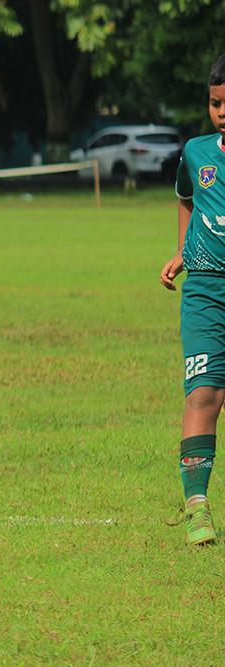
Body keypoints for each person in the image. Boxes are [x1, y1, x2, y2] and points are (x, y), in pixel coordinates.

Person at [160, 52, 225, 545]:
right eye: (214, 103)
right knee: (204, 392)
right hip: (204, 286)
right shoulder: (197, 152)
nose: (220, 111)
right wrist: (183, 251)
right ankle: (197, 506)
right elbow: (186, 198)